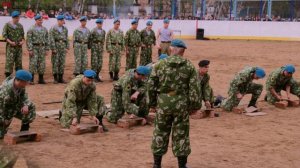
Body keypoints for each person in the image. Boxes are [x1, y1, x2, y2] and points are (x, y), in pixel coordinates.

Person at [148, 39, 201, 168]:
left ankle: (157, 164)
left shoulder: (159, 64)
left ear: (171, 49)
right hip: (181, 104)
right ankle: (182, 165)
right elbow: (195, 88)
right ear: (183, 51)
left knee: (160, 132)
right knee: (181, 134)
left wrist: (152, 104)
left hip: (163, 103)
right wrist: (194, 106)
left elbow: (151, 85)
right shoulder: (189, 66)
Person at [0, 70, 36, 138]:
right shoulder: (5, 93)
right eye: (26, 82)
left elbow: (24, 96)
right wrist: (4, 121)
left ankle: (24, 129)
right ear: (21, 81)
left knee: (31, 106)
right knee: (1, 135)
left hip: (13, 107)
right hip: (4, 112)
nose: (27, 83)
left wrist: (25, 105)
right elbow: (2, 109)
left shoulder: (19, 85)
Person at [26, 14, 49, 84]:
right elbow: (29, 40)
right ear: (36, 20)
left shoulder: (44, 29)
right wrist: (30, 49)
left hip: (42, 47)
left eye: (41, 20)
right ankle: (31, 79)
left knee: (42, 63)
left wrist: (47, 49)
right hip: (34, 47)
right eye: (39, 20)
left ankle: (41, 79)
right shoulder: (31, 29)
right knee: (33, 63)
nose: (41, 21)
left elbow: (47, 39)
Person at [2, 11, 25, 78]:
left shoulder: (20, 26)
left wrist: (22, 42)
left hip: (19, 47)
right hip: (11, 47)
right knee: (9, 62)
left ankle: (18, 78)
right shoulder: (7, 25)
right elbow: (5, 35)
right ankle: (8, 78)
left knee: (19, 62)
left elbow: (23, 36)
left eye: (18, 18)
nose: (18, 19)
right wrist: (10, 42)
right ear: (13, 18)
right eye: (16, 18)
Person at [49, 15, 69, 84]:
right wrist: (53, 48)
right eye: (62, 20)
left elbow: (66, 38)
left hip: (63, 47)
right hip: (56, 46)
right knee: (55, 62)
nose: (63, 22)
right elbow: (51, 39)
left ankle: (61, 78)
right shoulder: (53, 28)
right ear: (58, 21)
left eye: (63, 20)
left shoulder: (65, 29)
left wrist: (67, 47)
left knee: (62, 62)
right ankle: (55, 78)